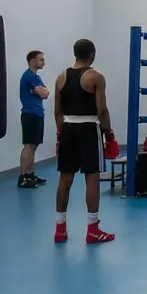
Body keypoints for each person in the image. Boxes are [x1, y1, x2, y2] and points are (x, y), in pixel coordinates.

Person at [52, 39, 116, 244]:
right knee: (92, 177)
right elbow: (102, 110)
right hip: (89, 128)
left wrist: (60, 134)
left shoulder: (60, 78)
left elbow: (57, 111)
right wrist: (109, 133)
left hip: (68, 128)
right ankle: (92, 229)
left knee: (65, 179)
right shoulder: (96, 77)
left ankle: (60, 229)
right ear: (92, 54)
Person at [18, 50, 49, 189]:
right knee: (29, 145)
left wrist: (41, 91)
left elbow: (45, 93)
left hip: (37, 114)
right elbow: (44, 93)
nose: (43, 62)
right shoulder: (29, 76)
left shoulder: (36, 77)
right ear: (32, 61)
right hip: (30, 114)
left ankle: (29, 174)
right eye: (41, 59)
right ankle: (23, 177)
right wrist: (41, 91)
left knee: (34, 146)